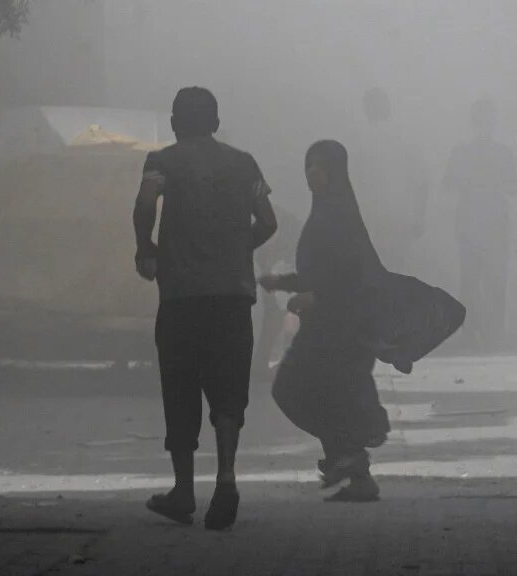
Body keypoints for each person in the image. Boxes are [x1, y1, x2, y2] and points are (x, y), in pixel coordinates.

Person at [133, 87, 278, 530]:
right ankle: (227, 480)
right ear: (216, 123)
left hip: (181, 297)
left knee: (180, 388)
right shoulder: (244, 163)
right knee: (229, 389)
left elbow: (143, 204)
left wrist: (147, 249)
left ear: (176, 123)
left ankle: (183, 491)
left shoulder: (161, 161)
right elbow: (268, 222)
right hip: (233, 296)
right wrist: (236, 250)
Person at [260, 140, 391, 503]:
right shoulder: (324, 212)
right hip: (324, 327)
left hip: (342, 328)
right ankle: (353, 468)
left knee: (293, 388)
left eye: (320, 166)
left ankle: (349, 458)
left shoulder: (340, 215)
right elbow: (319, 272)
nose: (312, 173)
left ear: (335, 171)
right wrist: (283, 283)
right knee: (327, 395)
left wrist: (317, 297)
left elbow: (349, 276)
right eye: (308, 165)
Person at [443, 99, 517, 353]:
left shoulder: (461, 152)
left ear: (473, 120)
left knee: (470, 280)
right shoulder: (503, 153)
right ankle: (495, 334)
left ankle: (470, 334)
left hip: (469, 224)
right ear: (493, 122)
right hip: (495, 223)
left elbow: (448, 183)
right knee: (495, 280)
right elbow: (514, 187)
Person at [354, 87, 430, 273]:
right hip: (401, 219)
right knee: (397, 272)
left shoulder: (362, 140)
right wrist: (419, 216)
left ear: (367, 110)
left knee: (371, 274)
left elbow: (356, 182)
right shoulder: (406, 139)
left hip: (372, 220)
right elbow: (422, 182)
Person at [251, 204, 302, 384]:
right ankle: (259, 364)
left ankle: (260, 363)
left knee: (273, 314)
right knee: (270, 315)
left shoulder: (288, 228)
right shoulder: (280, 223)